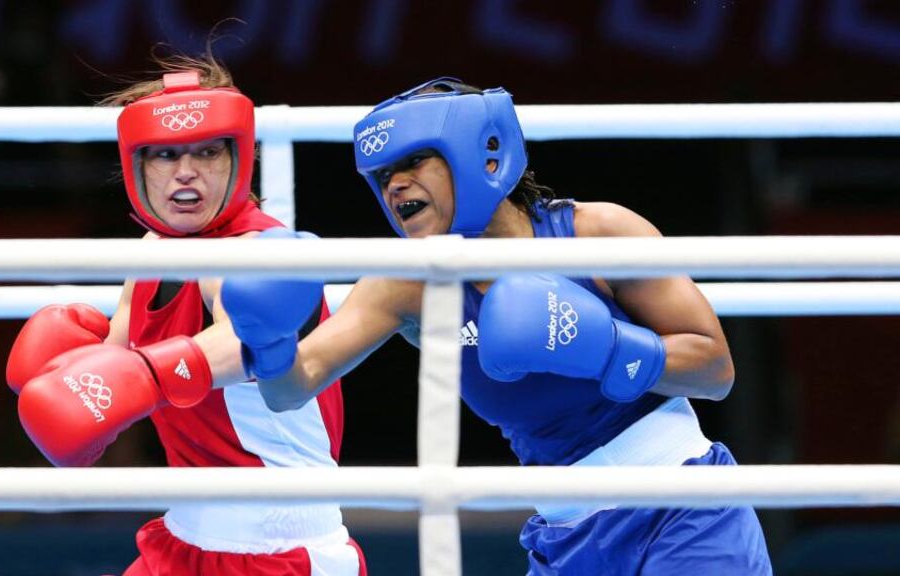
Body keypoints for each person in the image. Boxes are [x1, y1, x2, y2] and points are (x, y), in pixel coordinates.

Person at [220, 78, 773, 574]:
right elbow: (293, 386)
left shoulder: (596, 234)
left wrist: (608, 350)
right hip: (566, 539)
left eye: (414, 162)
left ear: (481, 157)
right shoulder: (405, 284)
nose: (396, 186)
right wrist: (268, 340)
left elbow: (715, 369)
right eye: (384, 175)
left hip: (685, 508)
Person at [4, 54, 366, 576]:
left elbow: (243, 342)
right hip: (183, 537)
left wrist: (148, 376)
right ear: (137, 167)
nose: (186, 172)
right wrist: (59, 376)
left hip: (279, 550)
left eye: (208, 152)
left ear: (239, 160)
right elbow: (110, 383)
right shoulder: (153, 251)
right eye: (165, 155)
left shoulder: (252, 256)